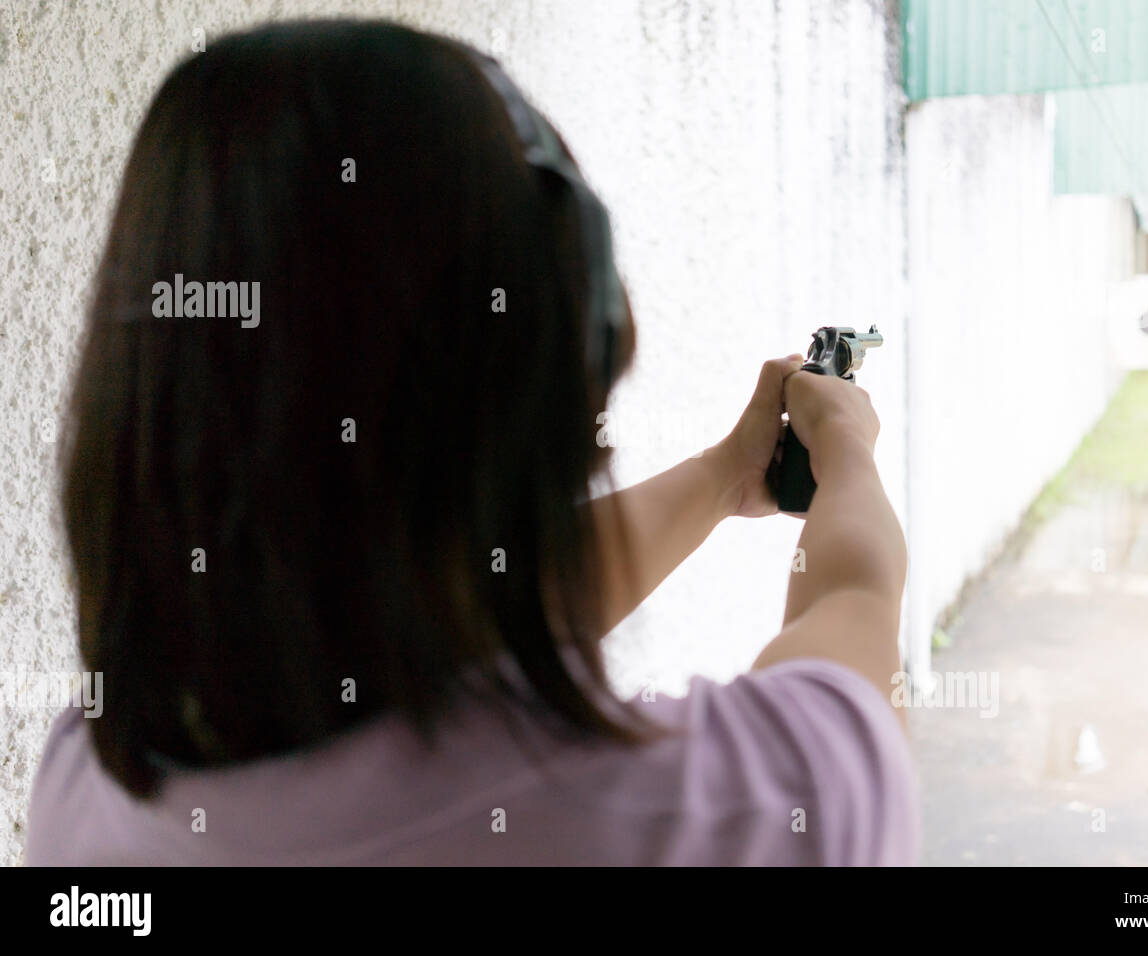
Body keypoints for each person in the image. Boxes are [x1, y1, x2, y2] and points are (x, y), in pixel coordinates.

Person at [25, 19, 915, 866]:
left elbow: (469, 607)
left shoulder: (87, 787)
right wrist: (846, 449)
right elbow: (855, 609)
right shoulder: (719, 810)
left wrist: (726, 478)